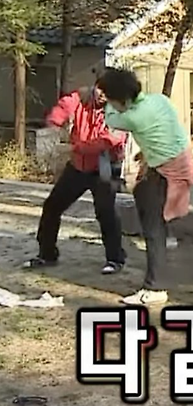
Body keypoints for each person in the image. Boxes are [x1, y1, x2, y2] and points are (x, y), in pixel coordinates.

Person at [99, 68, 193, 306]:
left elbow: (110, 118)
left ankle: (156, 287)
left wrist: (104, 102)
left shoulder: (132, 117)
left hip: (169, 170)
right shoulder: (158, 100)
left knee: (153, 228)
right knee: (144, 196)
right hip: (173, 161)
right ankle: (164, 236)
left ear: (120, 99)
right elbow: (164, 130)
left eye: (110, 97)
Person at [23, 79, 128, 274]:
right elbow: (65, 105)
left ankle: (115, 259)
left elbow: (107, 141)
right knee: (52, 206)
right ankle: (47, 254)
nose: (102, 95)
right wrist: (54, 123)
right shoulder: (82, 98)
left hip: (104, 167)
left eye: (108, 92)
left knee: (106, 212)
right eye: (100, 89)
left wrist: (73, 148)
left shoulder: (120, 112)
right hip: (78, 166)